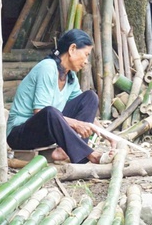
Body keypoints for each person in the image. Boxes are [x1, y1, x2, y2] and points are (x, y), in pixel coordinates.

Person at [6, 29, 111, 163]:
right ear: (72, 49)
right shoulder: (47, 67)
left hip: (48, 131)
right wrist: (77, 124)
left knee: (90, 97)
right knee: (50, 111)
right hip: (20, 134)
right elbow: (41, 111)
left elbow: (84, 112)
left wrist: (108, 136)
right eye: (85, 55)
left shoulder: (71, 76)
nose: (86, 61)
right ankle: (87, 154)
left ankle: (65, 151)